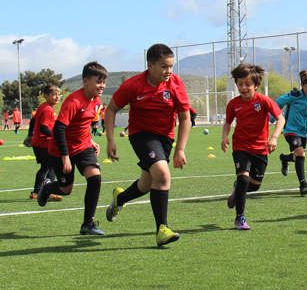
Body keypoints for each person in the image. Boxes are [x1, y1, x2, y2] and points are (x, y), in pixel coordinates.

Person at [104, 44, 192, 247]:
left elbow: (185, 117)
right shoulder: (134, 85)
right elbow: (111, 110)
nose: (168, 71)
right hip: (141, 136)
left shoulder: (175, 84)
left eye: (171, 66)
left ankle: (121, 198)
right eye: (163, 66)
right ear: (150, 65)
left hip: (165, 138)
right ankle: (162, 229)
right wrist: (110, 140)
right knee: (162, 175)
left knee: (146, 183)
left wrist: (180, 149)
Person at [36, 62, 108, 236]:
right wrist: (65, 156)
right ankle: (46, 189)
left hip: (83, 147)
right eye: (98, 81)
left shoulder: (96, 101)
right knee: (66, 189)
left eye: (104, 82)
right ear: (85, 81)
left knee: (95, 178)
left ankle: (87, 224)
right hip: (60, 150)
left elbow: (82, 125)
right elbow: (59, 129)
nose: (102, 86)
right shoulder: (73, 101)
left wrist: (91, 141)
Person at [221, 63, 285, 230]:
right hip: (241, 146)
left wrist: (274, 138)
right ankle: (239, 218)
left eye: (247, 84)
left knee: (255, 185)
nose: (243, 87)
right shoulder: (233, 104)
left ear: (256, 85)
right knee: (243, 177)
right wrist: (224, 137)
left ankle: (237, 191)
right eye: (240, 84)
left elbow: (281, 119)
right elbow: (228, 122)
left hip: (261, 149)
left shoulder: (263, 101)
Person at [29, 85, 63, 202]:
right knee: (47, 168)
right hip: (43, 144)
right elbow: (44, 128)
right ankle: (37, 192)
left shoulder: (44, 107)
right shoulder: (47, 109)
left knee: (49, 167)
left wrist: (30, 135)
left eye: (59, 95)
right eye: (54, 94)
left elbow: (33, 121)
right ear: (46, 95)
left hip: (39, 143)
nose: (57, 97)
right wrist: (56, 137)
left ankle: (46, 191)